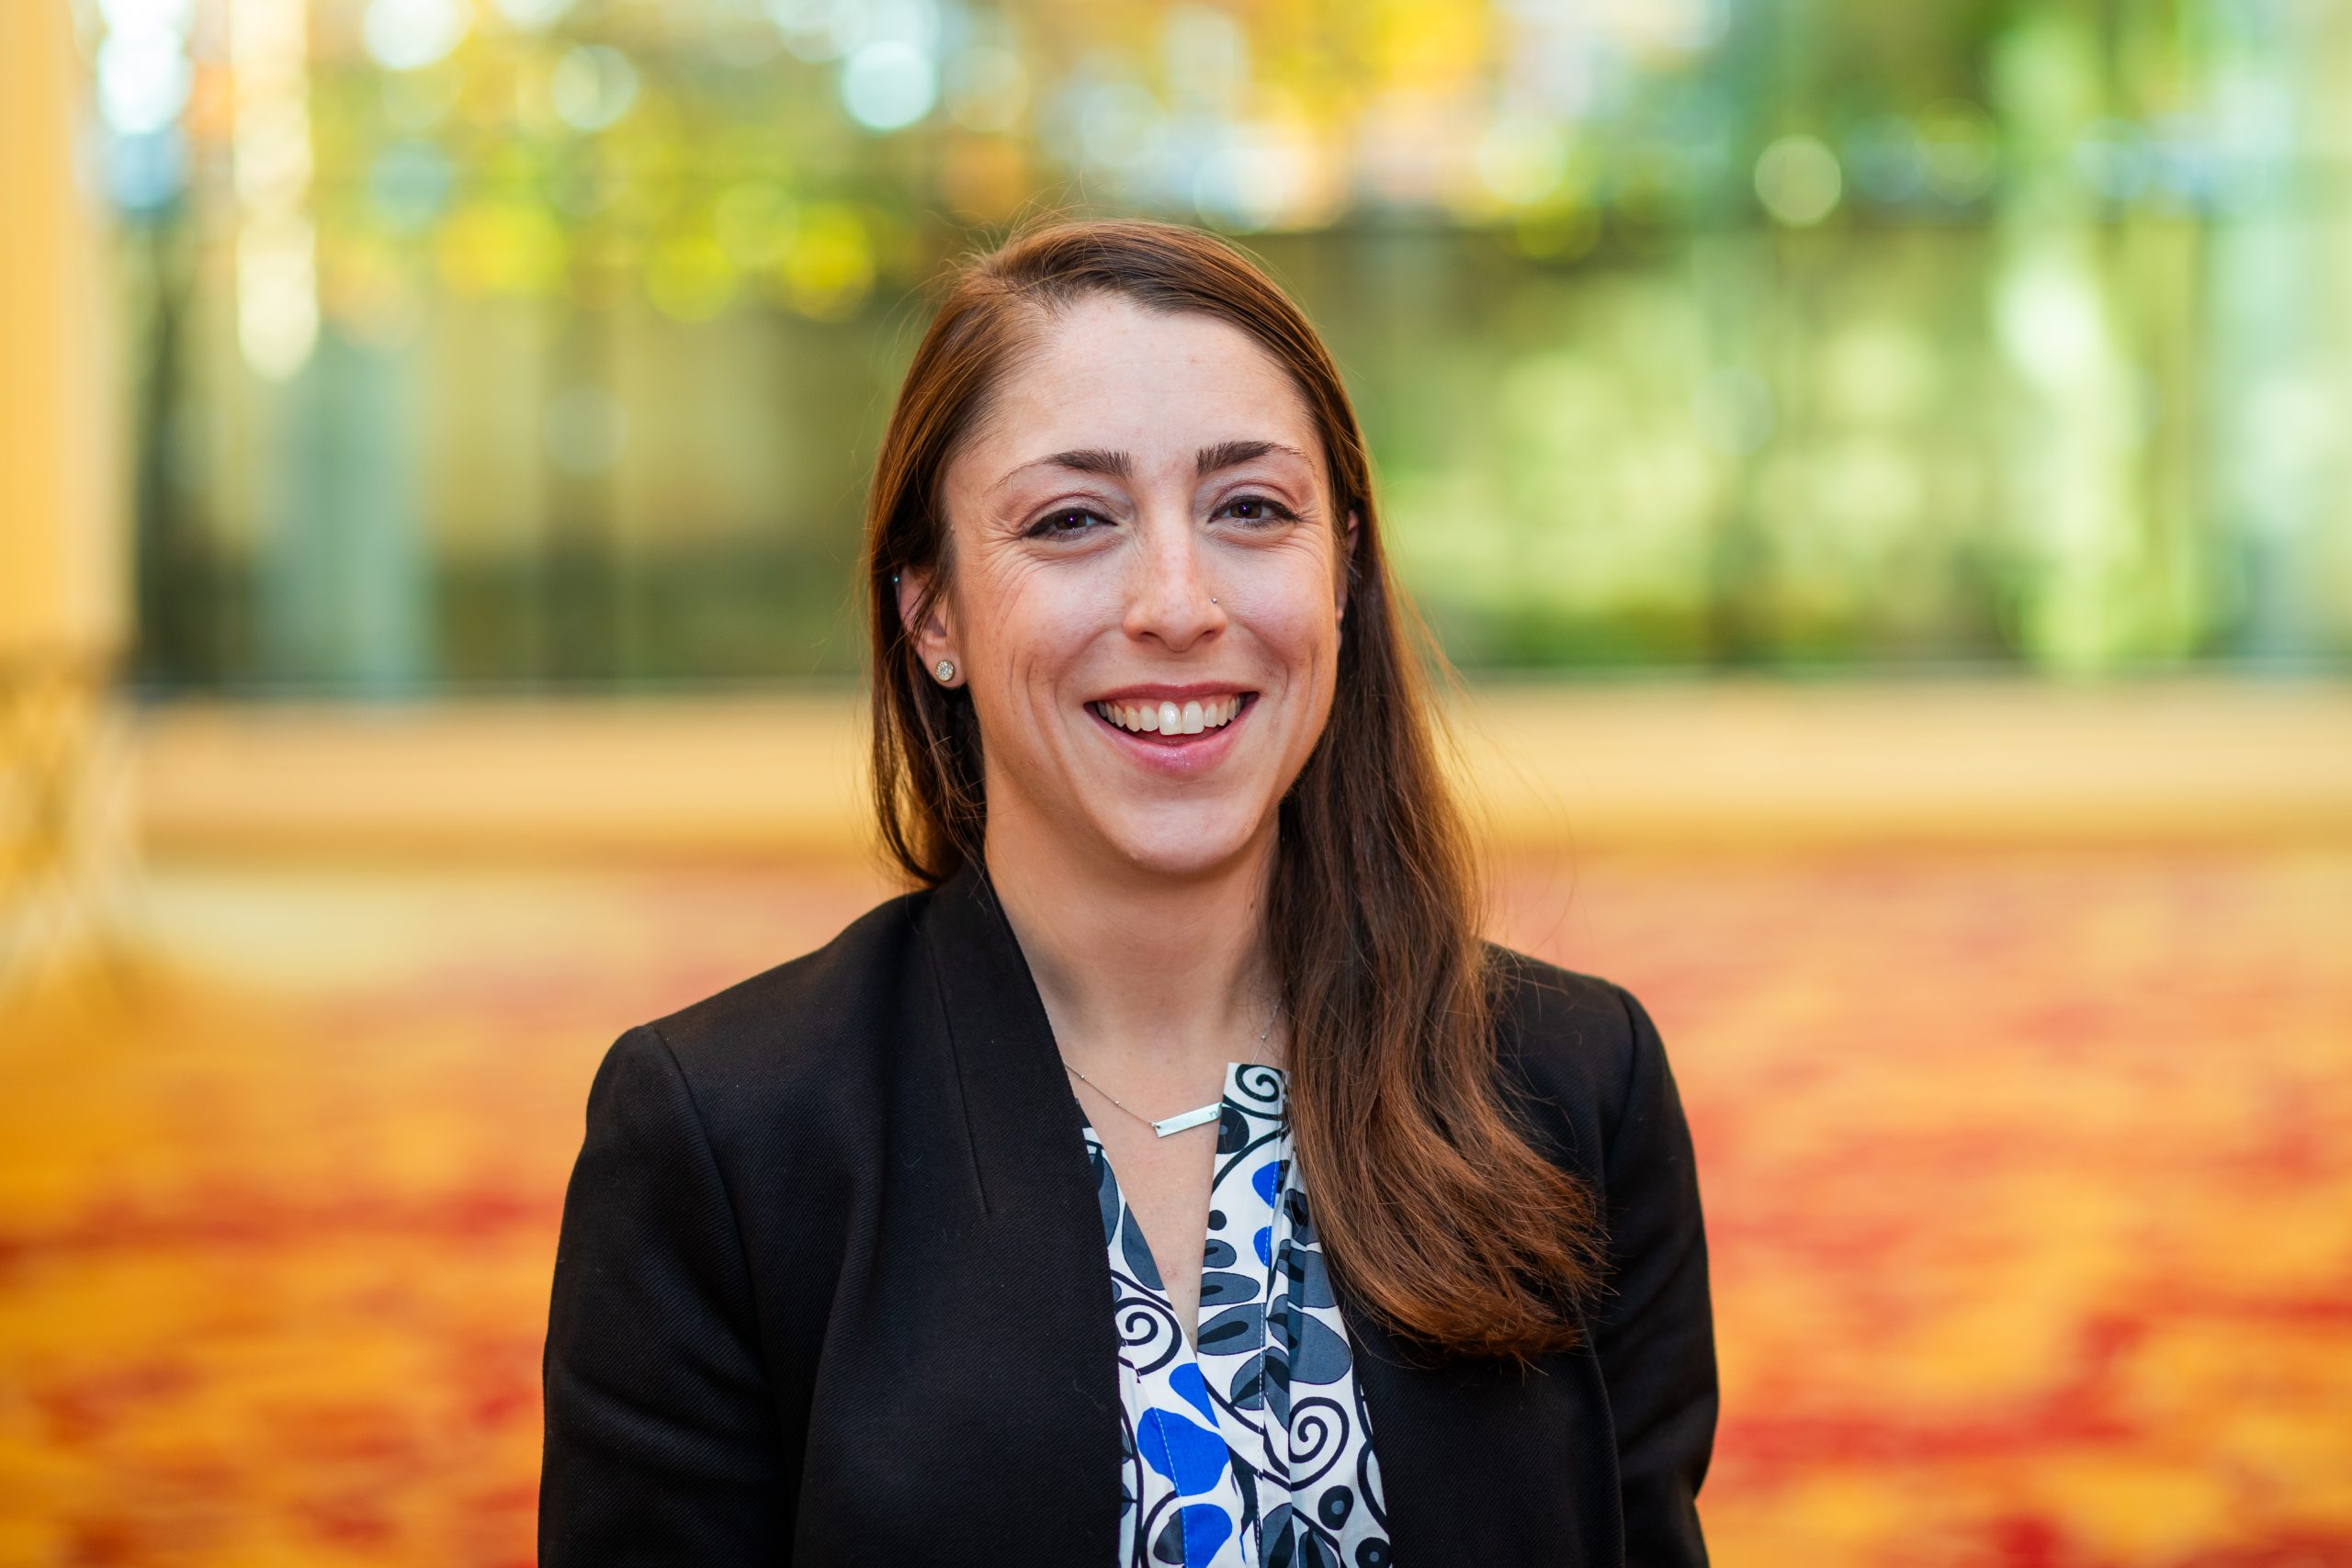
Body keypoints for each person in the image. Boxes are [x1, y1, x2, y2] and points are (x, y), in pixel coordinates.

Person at [538, 218, 1716, 1567]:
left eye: (1251, 509)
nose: (1177, 600)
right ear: (933, 616)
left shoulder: (1569, 1085)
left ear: (1343, 573)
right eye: (1073, 520)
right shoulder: (728, 1141)